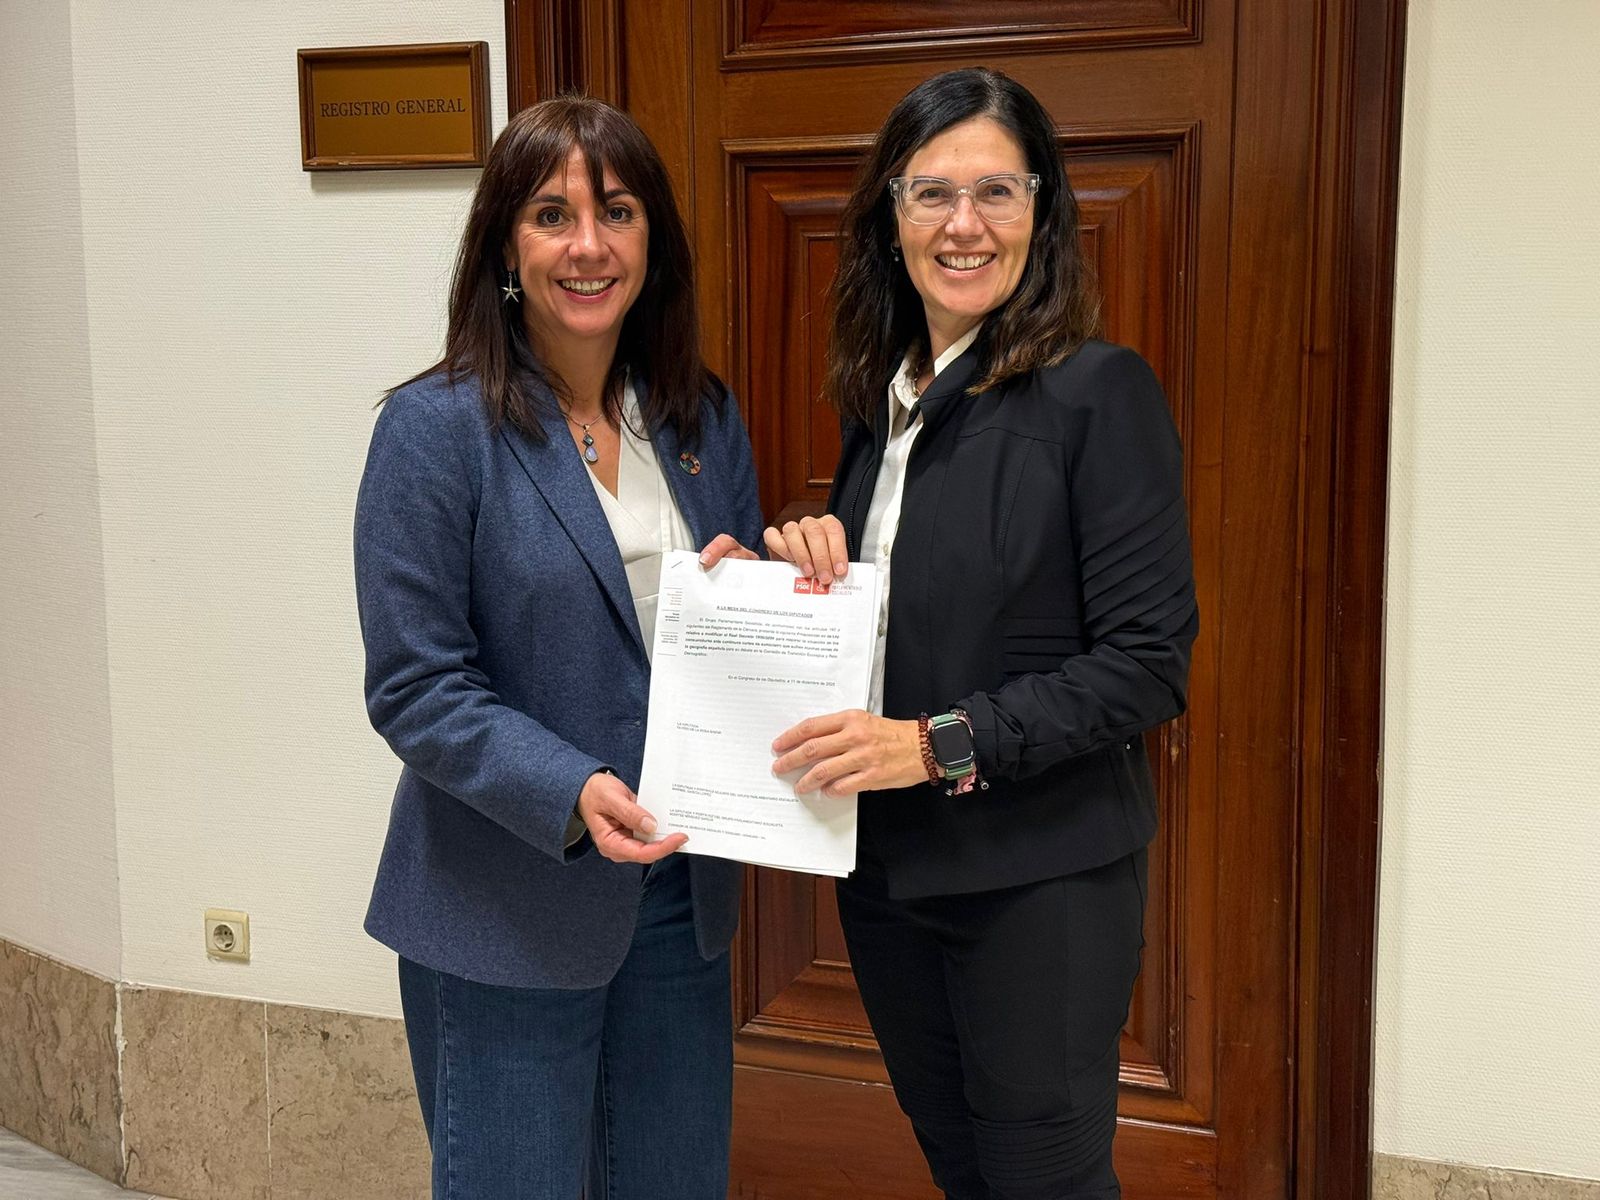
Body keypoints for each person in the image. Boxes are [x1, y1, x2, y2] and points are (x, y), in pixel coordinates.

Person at [704, 68, 1197, 1199]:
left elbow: (1146, 665)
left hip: (1040, 889)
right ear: (889, 217)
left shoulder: (1098, 393)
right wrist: (783, 583)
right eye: (931, 193)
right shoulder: (888, 407)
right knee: (965, 1175)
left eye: (995, 192)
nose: (962, 224)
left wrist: (933, 746)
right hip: (890, 879)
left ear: (1042, 211)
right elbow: (927, 613)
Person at [353, 96, 761, 1199]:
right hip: (506, 901)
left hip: (680, 901)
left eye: (616, 211)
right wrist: (569, 785)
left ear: (651, 242)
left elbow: (729, 636)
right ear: (503, 248)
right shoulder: (434, 430)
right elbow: (416, 685)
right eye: (549, 215)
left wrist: (785, 576)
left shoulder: (699, 419)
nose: (588, 245)